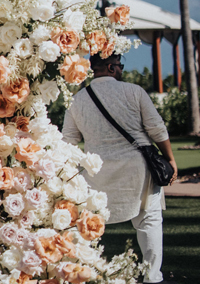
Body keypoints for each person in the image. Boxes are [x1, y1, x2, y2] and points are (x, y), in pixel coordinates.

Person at [62, 52, 178, 284]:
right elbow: (157, 129)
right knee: (149, 222)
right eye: (120, 65)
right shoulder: (134, 92)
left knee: (89, 225)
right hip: (140, 170)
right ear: (112, 68)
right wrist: (170, 160)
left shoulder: (77, 100)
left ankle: (85, 273)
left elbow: (68, 142)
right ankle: (152, 277)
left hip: (98, 174)